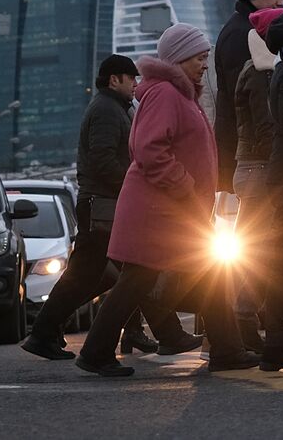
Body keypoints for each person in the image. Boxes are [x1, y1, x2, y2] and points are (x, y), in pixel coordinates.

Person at [76, 25, 257, 377]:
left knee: (204, 276)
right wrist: (187, 186)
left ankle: (226, 349)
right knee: (139, 281)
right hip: (159, 210)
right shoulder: (165, 94)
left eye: (206, 57)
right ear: (179, 58)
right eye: (200, 57)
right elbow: (148, 150)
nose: (205, 65)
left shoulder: (179, 93)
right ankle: (97, 352)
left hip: (171, 210)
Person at [21, 55, 200, 362]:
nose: (135, 85)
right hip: (101, 207)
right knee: (125, 270)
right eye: (131, 79)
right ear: (114, 80)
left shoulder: (115, 108)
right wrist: (137, 184)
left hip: (104, 206)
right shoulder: (105, 110)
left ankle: (45, 332)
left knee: (109, 274)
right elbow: (102, 160)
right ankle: (45, 333)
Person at [233, 6, 283, 372]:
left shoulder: (273, 71)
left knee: (274, 260)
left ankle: (265, 338)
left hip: (273, 174)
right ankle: (253, 333)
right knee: (275, 262)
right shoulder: (273, 73)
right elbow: (278, 128)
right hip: (275, 175)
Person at [214, 0, 283, 350]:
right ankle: (240, 324)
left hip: (243, 158)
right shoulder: (248, 37)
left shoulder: (236, 30)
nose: (281, 1)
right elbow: (257, 104)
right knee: (261, 248)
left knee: (257, 246)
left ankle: (240, 325)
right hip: (257, 160)